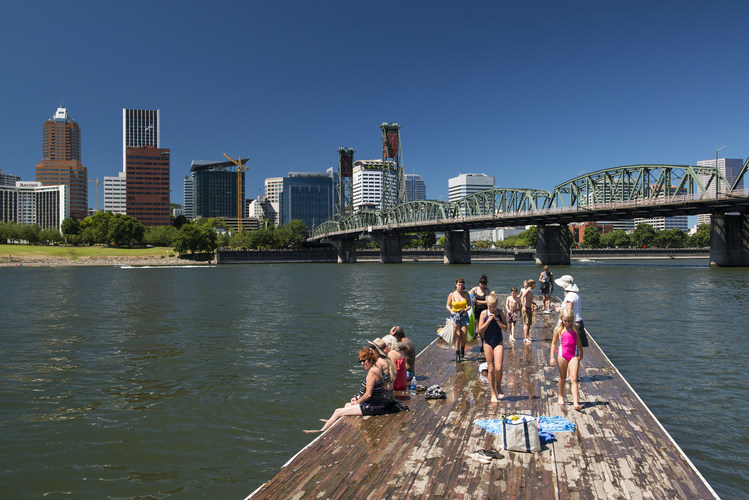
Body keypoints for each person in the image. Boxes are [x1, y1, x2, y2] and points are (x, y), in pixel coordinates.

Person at [304, 348, 390, 433]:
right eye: (360, 362)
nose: (362, 363)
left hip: (372, 407)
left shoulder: (372, 372)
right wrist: (359, 397)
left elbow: (368, 394)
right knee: (347, 405)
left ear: (371, 359)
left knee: (337, 411)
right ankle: (332, 421)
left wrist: (358, 402)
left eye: (364, 361)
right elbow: (374, 390)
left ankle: (321, 431)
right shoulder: (376, 369)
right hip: (375, 404)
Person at [549, 309, 583, 410]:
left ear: (572, 320)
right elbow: (554, 343)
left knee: (573, 378)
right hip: (562, 355)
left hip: (573, 355)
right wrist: (551, 357)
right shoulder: (558, 329)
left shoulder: (575, 328)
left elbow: (578, 341)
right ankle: (560, 395)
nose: (567, 323)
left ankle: (576, 402)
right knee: (562, 377)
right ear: (562, 320)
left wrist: (581, 352)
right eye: (565, 321)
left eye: (569, 321)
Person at [477, 293, 507, 402]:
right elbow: (480, 330)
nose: (492, 308)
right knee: (491, 369)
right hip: (487, 342)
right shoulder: (483, 313)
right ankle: (493, 393)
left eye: (494, 306)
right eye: (490, 306)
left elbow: (505, 329)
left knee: (498, 368)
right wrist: (489, 320)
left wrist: (497, 320)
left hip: (498, 341)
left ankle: (498, 387)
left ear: (497, 305)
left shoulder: (500, 312)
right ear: (487, 305)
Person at [555, 274, 588, 347]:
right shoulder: (576, 294)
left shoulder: (569, 296)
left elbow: (568, 312)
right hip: (579, 321)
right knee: (578, 347)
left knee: (571, 347)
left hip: (573, 323)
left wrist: (560, 310)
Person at [446, 277, 471, 362]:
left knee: (463, 336)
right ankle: (457, 354)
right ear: (456, 285)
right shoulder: (452, 295)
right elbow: (448, 305)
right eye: (459, 285)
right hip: (455, 316)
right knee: (458, 335)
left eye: (462, 285)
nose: (460, 287)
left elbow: (470, 305)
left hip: (463, 315)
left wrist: (465, 310)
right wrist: (451, 311)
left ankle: (462, 349)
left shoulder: (466, 294)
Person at [469, 275, 490, 341]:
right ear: (479, 283)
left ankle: (482, 334)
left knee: (483, 322)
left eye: (484, 284)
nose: (482, 286)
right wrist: (472, 297)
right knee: (475, 321)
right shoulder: (475, 289)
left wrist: (477, 301)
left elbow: (487, 302)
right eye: (481, 284)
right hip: (476, 308)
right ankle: (475, 333)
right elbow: (467, 295)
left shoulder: (486, 291)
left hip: (484, 308)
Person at [520, 279, 535, 343]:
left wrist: (534, 304)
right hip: (526, 307)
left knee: (529, 323)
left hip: (529, 307)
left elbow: (529, 299)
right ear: (532, 284)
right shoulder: (528, 290)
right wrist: (523, 306)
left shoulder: (531, 290)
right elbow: (522, 297)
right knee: (526, 323)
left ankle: (528, 336)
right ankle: (525, 337)